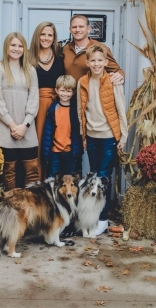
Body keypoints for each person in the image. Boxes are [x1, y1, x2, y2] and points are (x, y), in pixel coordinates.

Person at [77, 44, 128, 236]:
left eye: (100, 60)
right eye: (93, 61)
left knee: (103, 179)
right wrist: (83, 136)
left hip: (108, 137)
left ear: (106, 62)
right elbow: (80, 112)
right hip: (91, 137)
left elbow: (121, 109)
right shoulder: (82, 81)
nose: (97, 64)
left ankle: (103, 219)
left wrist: (123, 136)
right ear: (87, 62)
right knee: (93, 178)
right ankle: (93, 217)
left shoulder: (113, 81)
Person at [0, 32, 39, 191]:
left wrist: (25, 125)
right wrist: (12, 125)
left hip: (27, 128)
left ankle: (29, 209)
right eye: (13, 45)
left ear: (24, 49)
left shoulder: (30, 71)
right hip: (5, 128)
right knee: (8, 173)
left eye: (20, 46)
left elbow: (34, 99)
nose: (16, 49)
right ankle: (12, 208)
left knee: (31, 172)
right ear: (6, 47)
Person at [28, 22, 65, 178]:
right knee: (37, 143)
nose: (46, 38)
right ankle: (36, 180)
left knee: (55, 144)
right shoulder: (28, 56)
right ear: (37, 35)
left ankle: (53, 182)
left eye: (50, 35)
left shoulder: (60, 56)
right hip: (35, 106)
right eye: (43, 34)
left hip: (57, 105)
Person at [62, 14, 124, 84]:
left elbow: (118, 71)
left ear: (88, 29)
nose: (77, 30)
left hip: (91, 93)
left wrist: (120, 76)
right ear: (70, 29)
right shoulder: (66, 49)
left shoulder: (99, 48)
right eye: (74, 27)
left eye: (81, 26)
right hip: (68, 94)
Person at [41, 75, 83, 177]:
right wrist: (46, 154)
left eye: (69, 91)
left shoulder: (75, 109)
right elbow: (48, 132)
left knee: (70, 181)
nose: (65, 94)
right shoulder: (53, 109)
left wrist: (78, 151)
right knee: (53, 181)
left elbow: (78, 133)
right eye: (62, 91)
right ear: (56, 90)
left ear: (73, 92)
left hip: (71, 152)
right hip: (55, 152)